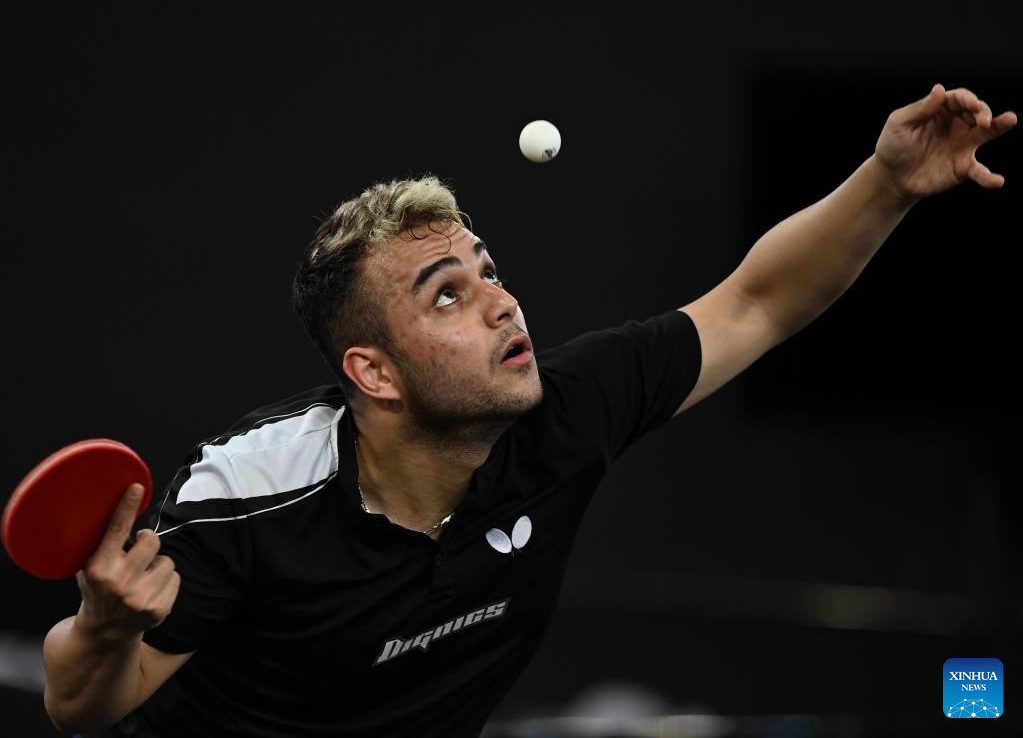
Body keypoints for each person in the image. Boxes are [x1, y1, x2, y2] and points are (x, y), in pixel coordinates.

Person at [41, 84, 1014, 737]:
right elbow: (81, 704)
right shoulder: (249, 493)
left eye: (489, 271)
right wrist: (105, 627)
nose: (503, 304)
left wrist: (887, 183)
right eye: (447, 296)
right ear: (373, 372)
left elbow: (757, 303)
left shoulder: (564, 409)